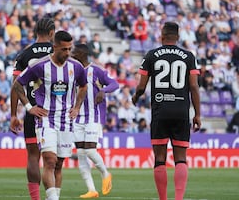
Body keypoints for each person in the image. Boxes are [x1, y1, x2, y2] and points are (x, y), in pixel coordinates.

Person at [12, 30, 88, 200]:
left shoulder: (76, 66)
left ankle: (53, 197)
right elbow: (17, 84)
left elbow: (84, 86)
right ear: (54, 47)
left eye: (69, 49)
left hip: (66, 120)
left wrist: (76, 107)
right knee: (49, 160)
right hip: (46, 119)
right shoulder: (40, 65)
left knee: (59, 164)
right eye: (64, 49)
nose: (67, 53)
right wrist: (29, 107)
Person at [132, 22, 201, 200]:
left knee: (160, 158)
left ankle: (163, 199)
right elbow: (194, 86)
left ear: (161, 36)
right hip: (181, 111)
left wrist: (135, 97)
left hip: (160, 111)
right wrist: (198, 114)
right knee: (180, 158)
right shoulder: (188, 56)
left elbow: (141, 86)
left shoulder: (151, 55)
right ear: (178, 37)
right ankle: (178, 199)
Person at [9, 17, 55, 200]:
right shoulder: (57, 52)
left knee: (33, 157)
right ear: (52, 33)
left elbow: (15, 86)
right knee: (53, 161)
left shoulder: (24, 55)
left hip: (33, 111)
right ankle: (54, 195)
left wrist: (14, 114)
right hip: (54, 113)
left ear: (36, 31)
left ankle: (35, 198)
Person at [71, 44, 118, 198]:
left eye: (74, 51)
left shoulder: (96, 71)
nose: (71, 53)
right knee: (81, 154)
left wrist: (103, 91)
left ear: (82, 54)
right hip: (77, 117)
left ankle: (105, 173)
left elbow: (114, 84)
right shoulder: (71, 70)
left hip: (93, 116)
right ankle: (91, 190)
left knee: (90, 150)